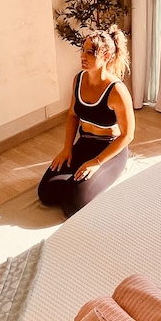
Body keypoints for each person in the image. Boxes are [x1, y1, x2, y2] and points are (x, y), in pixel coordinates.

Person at [38, 26, 134, 217]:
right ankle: (76, 184)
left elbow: (127, 135)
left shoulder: (117, 91)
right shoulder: (79, 79)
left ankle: (85, 184)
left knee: (72, 205)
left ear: (106, 56)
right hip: (84, 144)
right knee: (46, 193)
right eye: (83, 50)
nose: (83, 56)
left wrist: (96, 162)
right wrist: (67, 149)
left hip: (109, 149)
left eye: (90, 52)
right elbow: (73, 115)